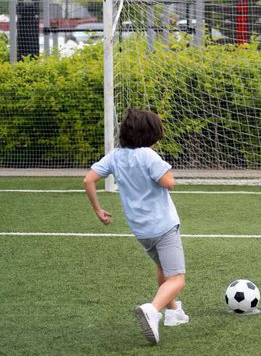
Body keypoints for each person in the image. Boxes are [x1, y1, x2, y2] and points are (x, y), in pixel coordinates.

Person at [83, 108, 188, 345]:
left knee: (163, 268)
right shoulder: (148, 156)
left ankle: (173, 313)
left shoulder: (115, 156)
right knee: (178, 278)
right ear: (151, 134)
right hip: (164, 226)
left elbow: (88, 179)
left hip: (141, 230)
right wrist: (164, 168)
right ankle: (153, 310)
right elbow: (168, 183)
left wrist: (98, 210)